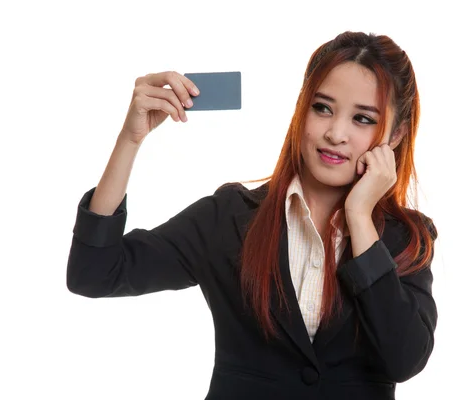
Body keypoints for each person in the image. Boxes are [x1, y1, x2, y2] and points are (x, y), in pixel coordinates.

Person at [67, 31, 439, 400]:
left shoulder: (404, 238)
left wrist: (360, 218)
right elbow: (94, 274)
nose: (335, 133)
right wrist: (130, 140)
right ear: (301, 108)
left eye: (363, 119)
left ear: (395, 135)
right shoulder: (230, 218)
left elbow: (405, 359)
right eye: (322, 107)